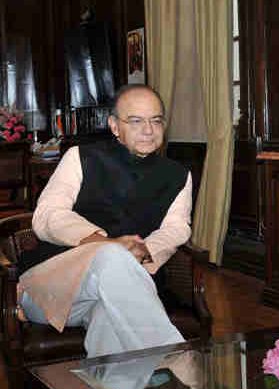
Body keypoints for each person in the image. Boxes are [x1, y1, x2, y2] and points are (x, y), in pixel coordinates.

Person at [16, 84, 192, 358]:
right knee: (111, 257)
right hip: (53, 286)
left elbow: (176, 229)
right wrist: (105, 244)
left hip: (124, 288)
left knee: (111, 326)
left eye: (155, 120)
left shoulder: (178, 174)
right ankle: (179, 364)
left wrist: (143, 253)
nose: (148, 129)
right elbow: (48, 215)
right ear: (114, 126)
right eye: (135, 121)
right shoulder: (81, 158)